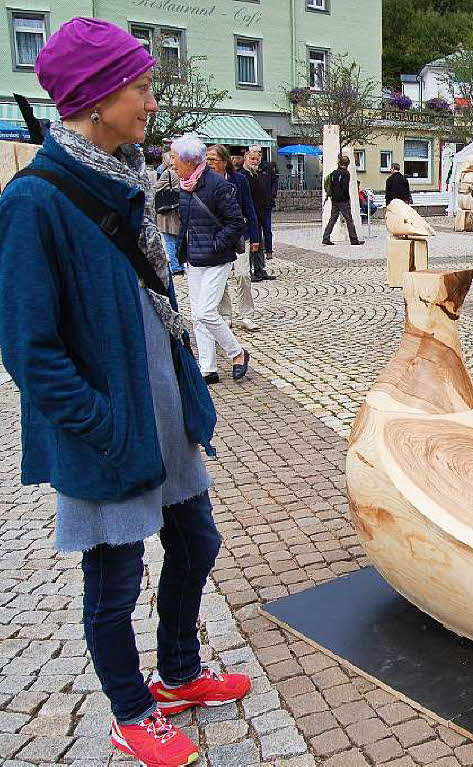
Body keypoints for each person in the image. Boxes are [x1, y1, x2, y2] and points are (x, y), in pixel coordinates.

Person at [0, 19, 250, 767]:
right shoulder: (35, 200)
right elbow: (27, 346)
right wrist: (101, 424)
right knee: (115, 576)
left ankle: (176, 673)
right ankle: (131, 710)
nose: (149, 100)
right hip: (105, 429)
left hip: (162, 410)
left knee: (197, 538)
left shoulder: (126, 174)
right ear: (99, 95)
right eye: (140, 86)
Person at [172, 133, 250, 385]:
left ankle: (237, 353)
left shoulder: (218, 185)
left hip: (217, 258)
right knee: (197, 315)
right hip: (194, 257)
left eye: (175, 159)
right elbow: (186, 223)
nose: (172, 163)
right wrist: (181, 250)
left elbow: (236, 221)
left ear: (190, 161)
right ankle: (208, 368)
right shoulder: (184, 186)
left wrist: (217, 243)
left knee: (206, 312)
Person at [207, 144, 261, 332]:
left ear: (224, 161)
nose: (209, 163)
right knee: (220, 278)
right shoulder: (205, 181)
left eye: (213, 159)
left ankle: (246, 315)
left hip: (239, 235)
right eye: (207, 160)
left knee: (243, 275)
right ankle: (225, 314)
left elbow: (249, 208)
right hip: (218, 236)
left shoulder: (239, 180)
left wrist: (255, 236)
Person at [242, 148, 277, 282]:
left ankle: (260, 269)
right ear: (246, 159)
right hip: (250, 215)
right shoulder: (243, 175)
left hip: (260, 213)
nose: (255, 161)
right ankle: (251, 270)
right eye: (252, 159)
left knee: (260, 242)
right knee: (252, 243)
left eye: (257, 159)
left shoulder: (258, 173)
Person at [322, 155, 365, 246]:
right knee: (349, 219)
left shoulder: (334, 173)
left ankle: (326, 237)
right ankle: (354, 239)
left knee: (333, 218)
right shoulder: (346, 173)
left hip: (334, 199)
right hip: (343, 200)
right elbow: (345, 188)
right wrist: (347, 198)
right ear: (347, 164)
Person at [153, 151, 183, 275]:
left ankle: (175, 267)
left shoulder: (168, 173)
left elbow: (156, 187)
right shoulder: (181, 172)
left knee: (170, 240)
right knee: (178, 239)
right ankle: (180, 264)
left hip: (167, 211)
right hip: (178, 209)